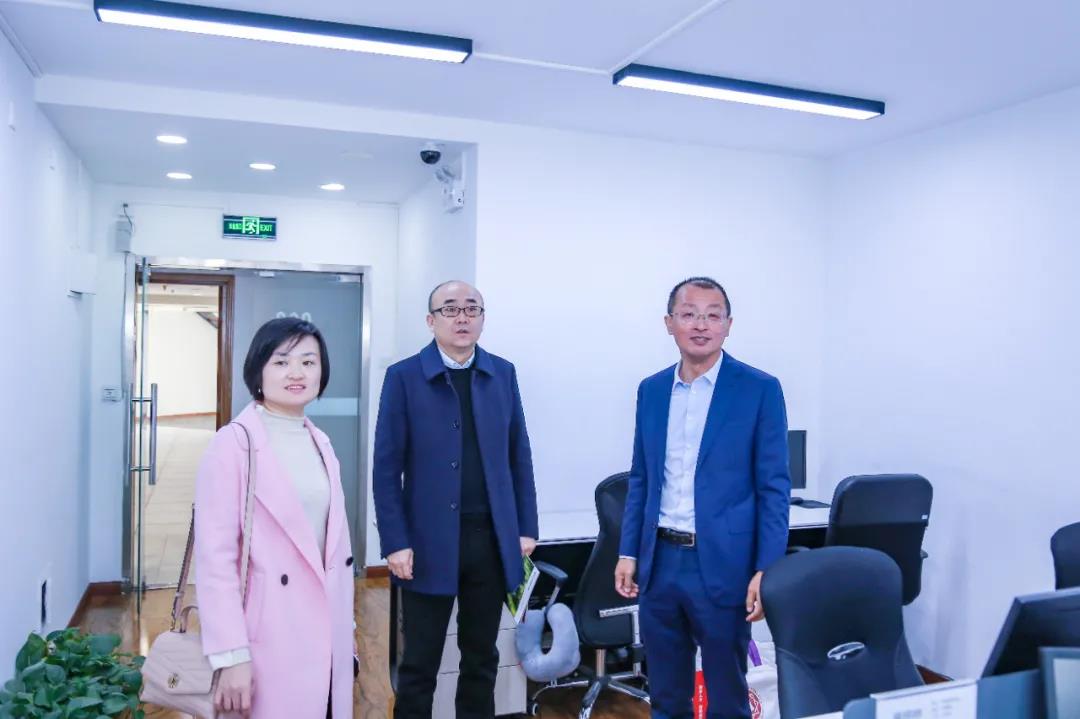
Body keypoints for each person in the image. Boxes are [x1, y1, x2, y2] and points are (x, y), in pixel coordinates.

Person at [615, 277, 790, 719]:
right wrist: (628, 551)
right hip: (660, 563)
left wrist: (766, 568)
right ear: (669, 323)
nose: (701, 325)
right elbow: (642, 478)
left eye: (713, 316)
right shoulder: (652, 390)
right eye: (689, 314)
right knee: (666, 695)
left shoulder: (759, 389)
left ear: (728, 325)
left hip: (724, 564)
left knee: (726, 697)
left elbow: (773, 488)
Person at [374, 280, 539, 719]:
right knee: (419, 662)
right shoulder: (404, 377)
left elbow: (518, 455)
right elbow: (386, 467)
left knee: (481, 658)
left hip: (490, 540)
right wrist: (395, 540)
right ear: (431, 321)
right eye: (450, 309)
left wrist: (525, 528)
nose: (462, 317)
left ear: (483, 318)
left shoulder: (502, 373)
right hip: (426, 543)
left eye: (472, 308)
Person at [195, 317, 355, 718]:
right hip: (268, 635)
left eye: (308, 361)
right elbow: (215, 559)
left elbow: (331, 552)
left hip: (324, 629)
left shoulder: (319, 441)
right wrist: (231, 655)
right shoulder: (233, 443)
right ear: (259, 371)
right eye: (281, 361)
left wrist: (346, 632)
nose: (297, 373)